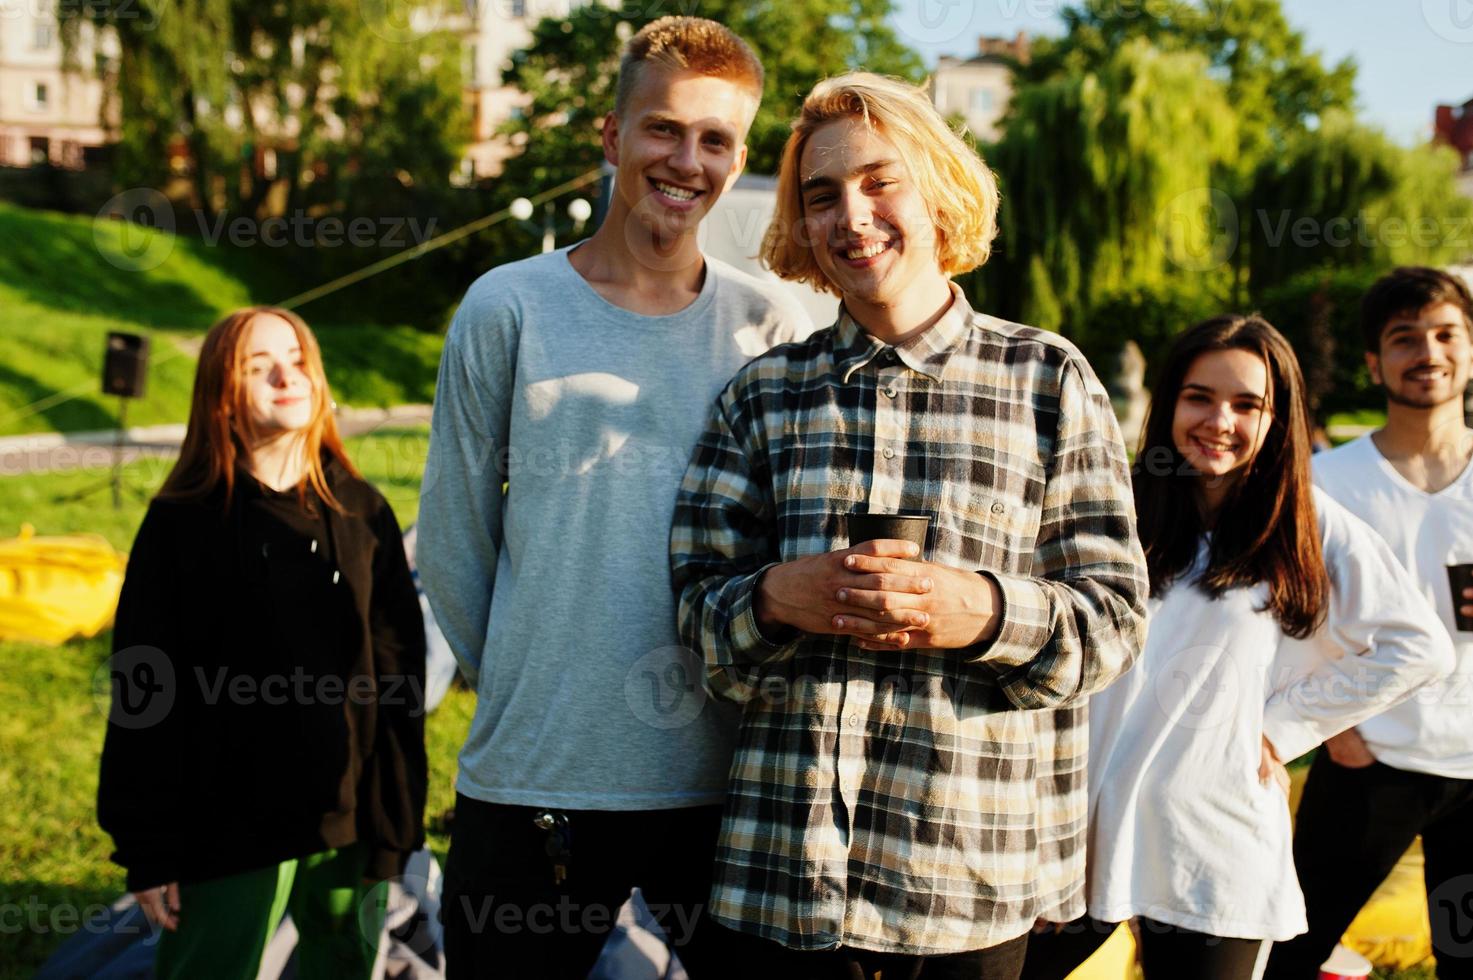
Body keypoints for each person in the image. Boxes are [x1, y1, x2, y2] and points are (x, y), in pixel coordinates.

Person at [669, 72, 1148, 979]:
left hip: (967, 884)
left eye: (879, 181)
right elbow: (694, 615)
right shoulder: (766, 395)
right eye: (822, 196)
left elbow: (1115, 622)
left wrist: (976, 610)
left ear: (935, 184)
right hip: (787, 883)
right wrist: (777, 598)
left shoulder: (1046, 379)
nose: (852, 216)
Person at [415, 16, 811, 979]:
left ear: (740, 157)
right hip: (538, 770)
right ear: (611, 135)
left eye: (714, 140)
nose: (686, 161)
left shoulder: (773, 322)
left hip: (724, 781)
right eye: (663, 129)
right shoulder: (507, 306)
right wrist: (531, 669)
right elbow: (455, 535)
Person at [1019, 315, 1453, 980]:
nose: (1219, 420)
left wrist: (1280, 729)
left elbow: (1415, 646)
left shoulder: (1304, 519)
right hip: (1078, 832)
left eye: (1247, 404)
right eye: (1199, 397)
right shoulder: (1112, 507)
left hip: (1210, 840)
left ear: (1276, 417)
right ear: (1169, 401)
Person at [97, 306, 428, 980]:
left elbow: (400, 675)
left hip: (350, 820)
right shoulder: (182, 523)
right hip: (223, 830)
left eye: (298, 359)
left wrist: (395, 824)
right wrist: (148, 846)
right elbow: (143, 688)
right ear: (221, 396)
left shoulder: (362, 510)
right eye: (259, 366)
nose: (287, 376)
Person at [1265, 267, 1473, 980]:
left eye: (1446, 334)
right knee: (1288, 950)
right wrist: (1336, 731)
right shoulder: (1326, 481)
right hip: (1369, 760)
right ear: (1373, 361)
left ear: (1469, 350)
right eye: (1403, 338)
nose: (1428, 353)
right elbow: (1282, 616)